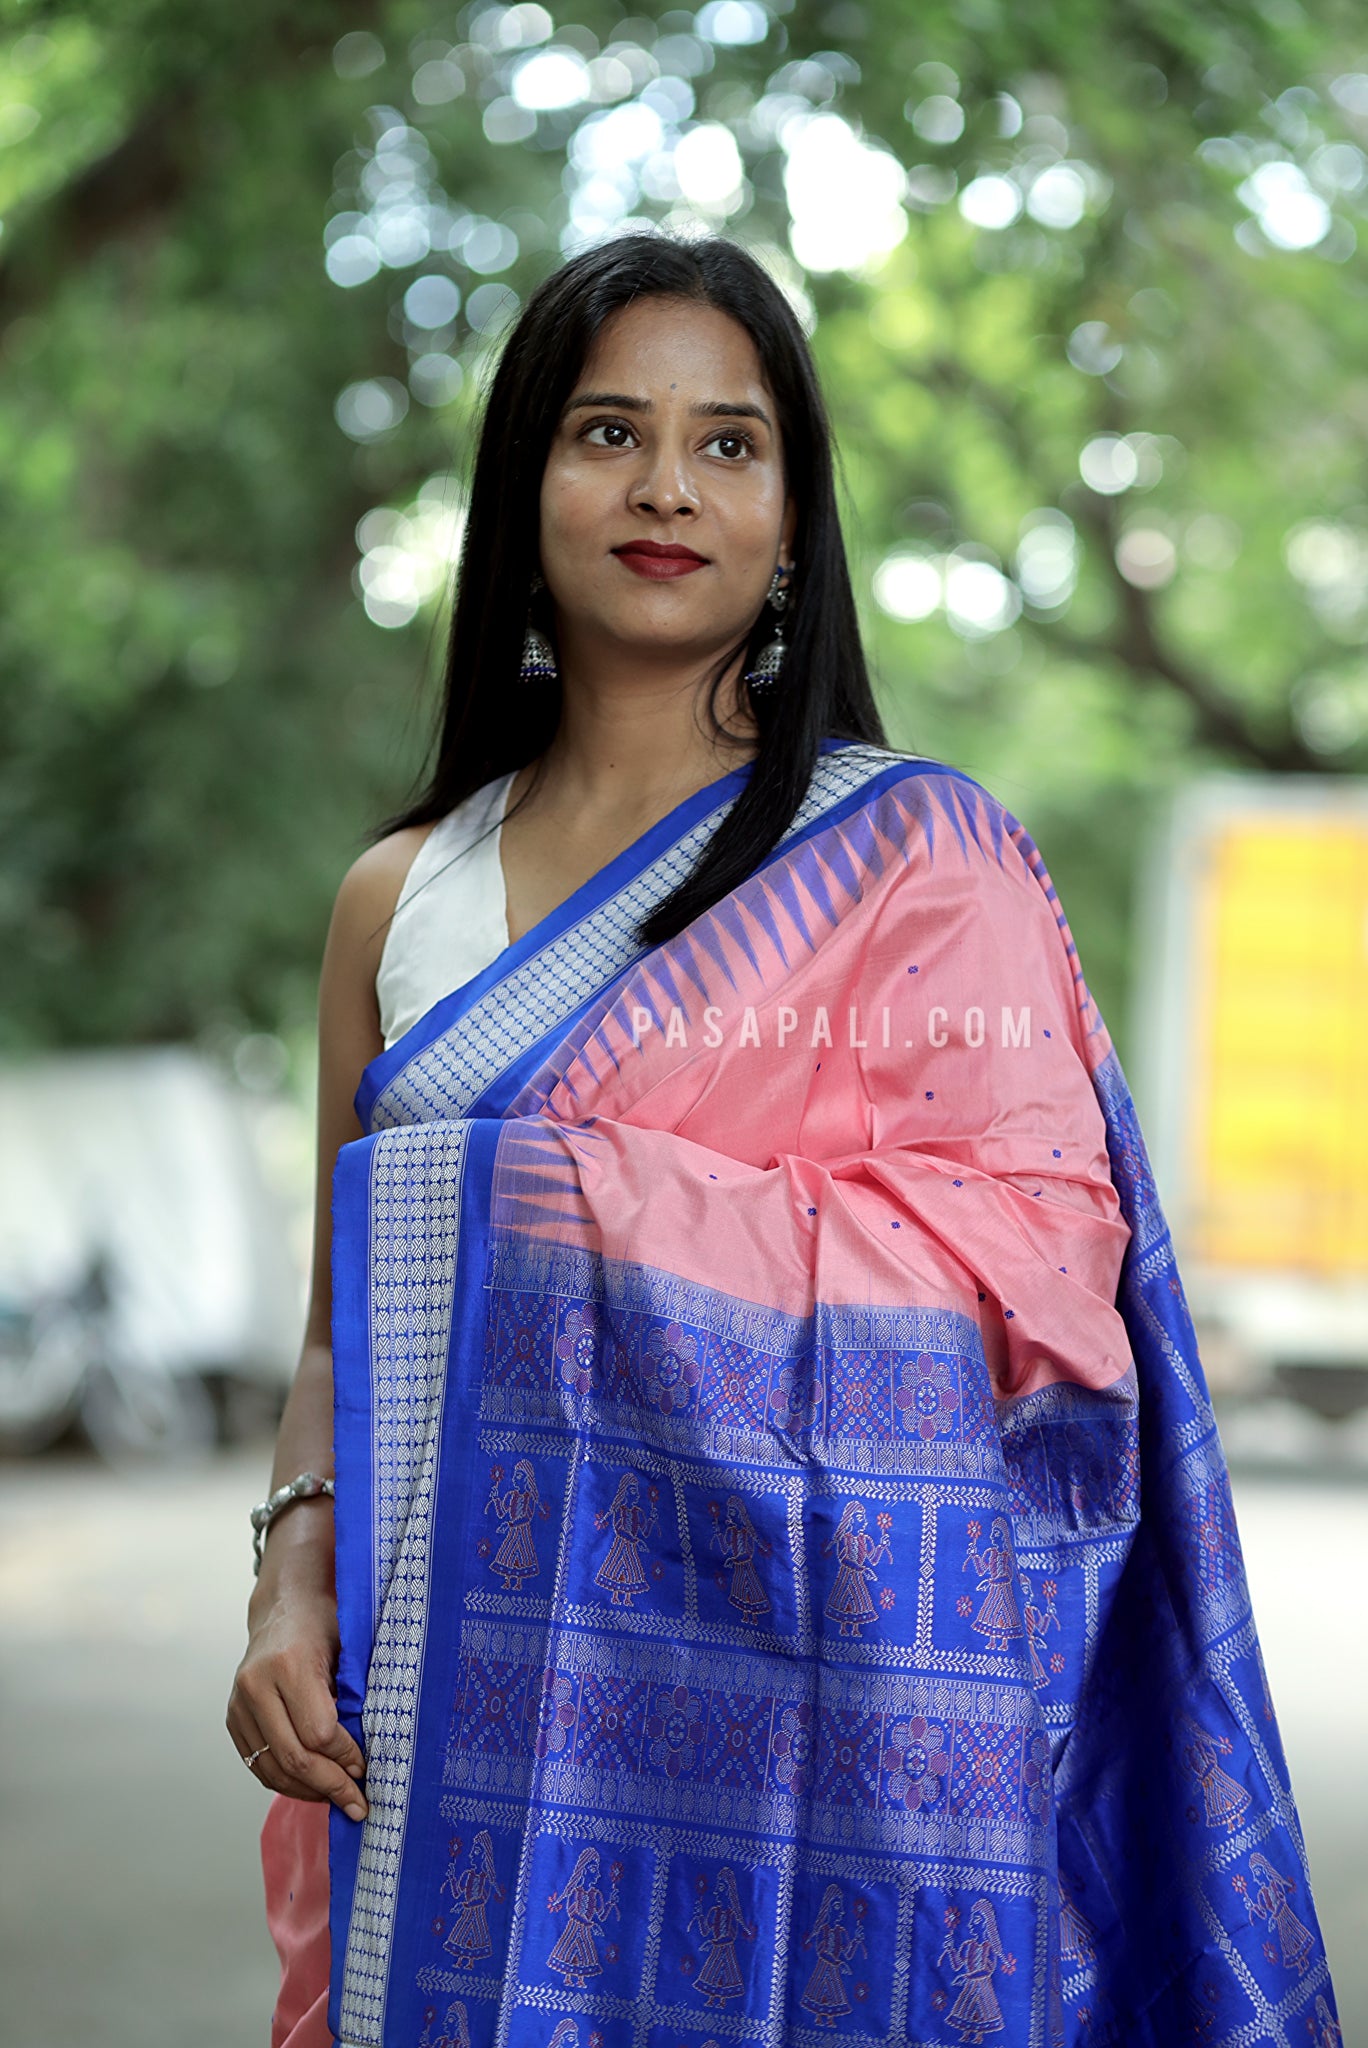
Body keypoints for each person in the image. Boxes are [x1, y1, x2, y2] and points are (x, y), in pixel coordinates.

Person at [226, 233, 1338, 2046]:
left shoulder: (915, 863)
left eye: (728, 443)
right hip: (447, 1714)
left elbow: (1046, 1274)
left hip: (818, 1740)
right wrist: (288, 1580)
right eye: (608, 432)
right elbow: (343, 1337)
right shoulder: (395, 898)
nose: (667, 487)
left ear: (795, 519)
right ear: (522, 491)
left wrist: (550, 1207)